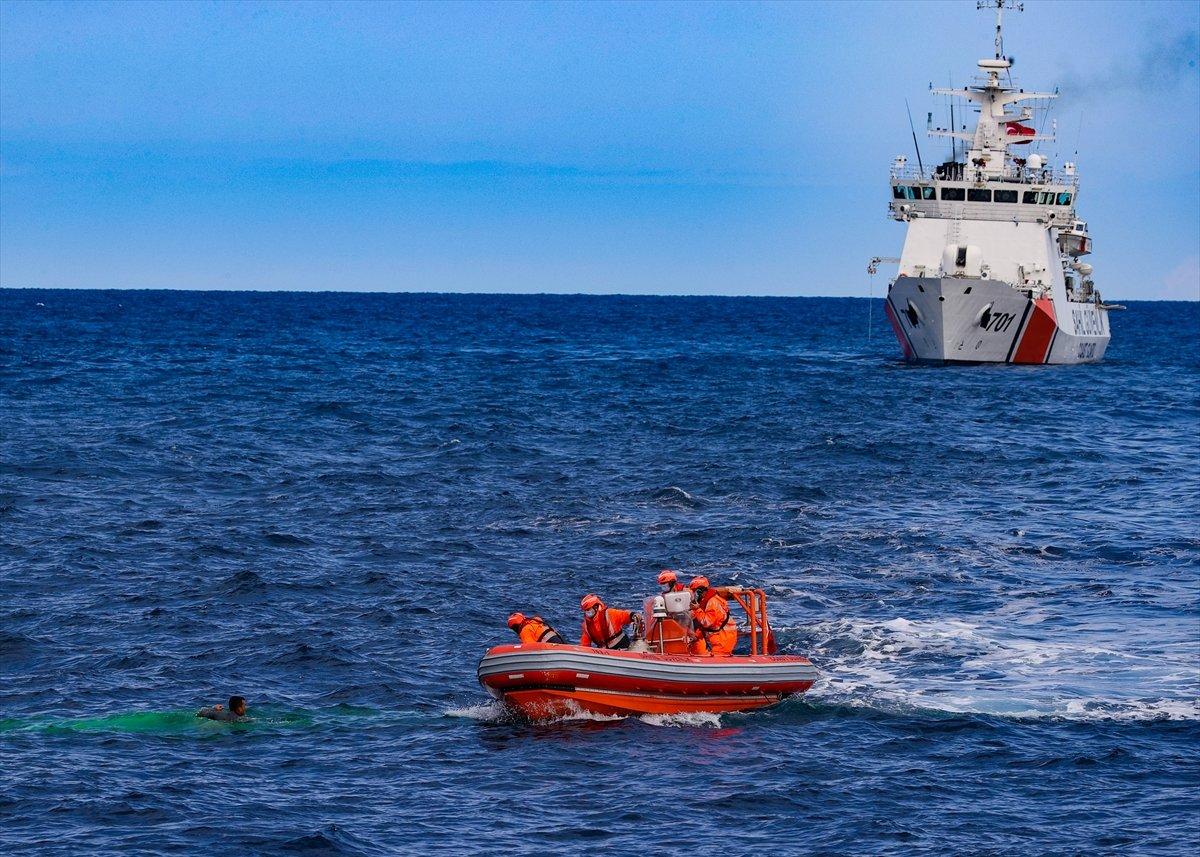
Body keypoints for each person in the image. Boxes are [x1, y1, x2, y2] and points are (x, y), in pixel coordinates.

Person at [689, 576, 737, 657]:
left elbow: (707, 622)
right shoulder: (708, 601)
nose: (693, 594)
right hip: (720, 637)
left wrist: (697, 609)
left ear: (700, 591)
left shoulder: (712, 603)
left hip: (723, 639)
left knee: (719, 661)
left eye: (694, 591)